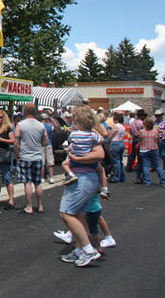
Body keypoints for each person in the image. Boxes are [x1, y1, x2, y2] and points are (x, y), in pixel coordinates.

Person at [58, 105, 105, 267]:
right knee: (78, 215)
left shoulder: (86, 135)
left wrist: (77, 159)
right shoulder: (92, 135)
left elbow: (99, 154)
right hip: (86, 178)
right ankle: (80, 250)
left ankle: (88, 249)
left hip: (82, 178)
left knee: (66, 213)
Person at [14, 103, 48, 214]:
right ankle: (41, 205)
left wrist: (16, 154)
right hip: (37, 156)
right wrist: (38, 145)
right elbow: (46, 141)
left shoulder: (20, 125)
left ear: (25, 112)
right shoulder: (41, 125)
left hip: (24, 156)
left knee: (27, 182)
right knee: (37, 182)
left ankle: (29, 206)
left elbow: (16, 143)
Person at [138, 118, 165, 186]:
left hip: (144, 149)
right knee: (157, 165)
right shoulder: (155, 132)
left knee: (146, 165)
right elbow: (159, 141)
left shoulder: (141, 132)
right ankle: (163, 181)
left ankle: (147, 181)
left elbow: (139, 140)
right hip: (153, 148)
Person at [108, 112, 126, 183]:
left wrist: (108, 141)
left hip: (115, 143)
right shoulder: (122, 126)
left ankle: (116, 177)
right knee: (120, 161)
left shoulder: (116, 126)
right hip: (121, 142)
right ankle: (122, 176)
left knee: (116, 161)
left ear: (117, 119)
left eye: (114, 119)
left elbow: (111, 135)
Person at [41, 114, 55, 184]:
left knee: (42, 163)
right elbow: (51, 136)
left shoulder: (39, 126)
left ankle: (42, 178)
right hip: (49, 144)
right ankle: (51, 177)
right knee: (50, 162)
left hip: (41, 145)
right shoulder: (49, 127)